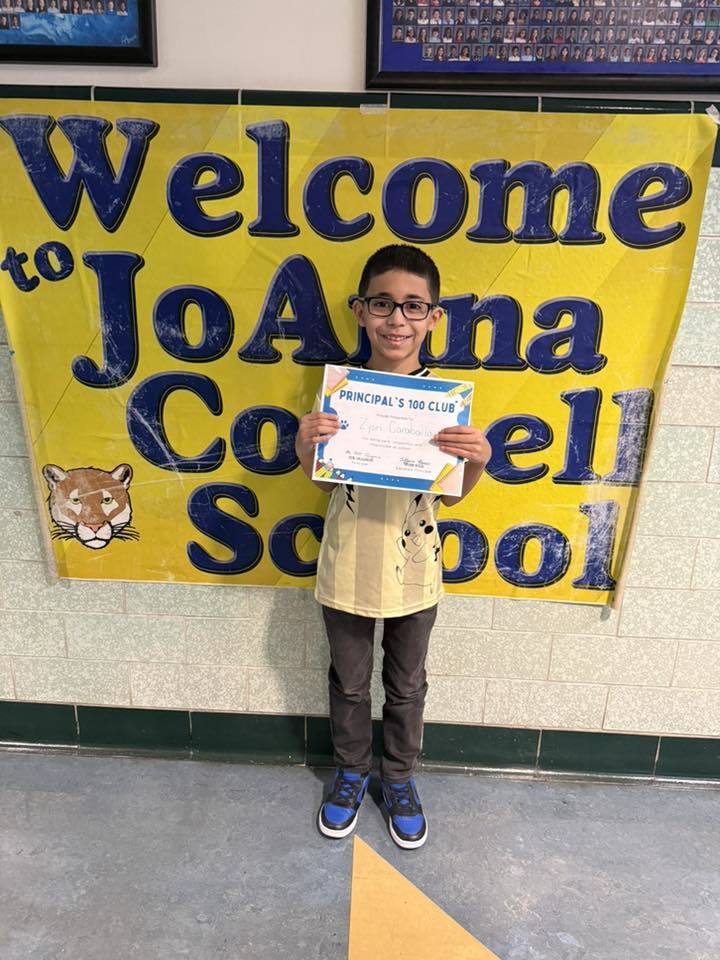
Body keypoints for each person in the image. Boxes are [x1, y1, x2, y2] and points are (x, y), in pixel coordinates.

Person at [295, 246, 490, 850]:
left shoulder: (445, 404)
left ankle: (399, 777)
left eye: (413, 307)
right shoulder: (343, 392)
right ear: (361, 311)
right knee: (350, 684)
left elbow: (452, 497)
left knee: (407, 685)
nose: (396, 320)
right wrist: (307, 446)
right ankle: (352, 772)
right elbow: (324, 479)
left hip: (415, 566)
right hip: (348, 560)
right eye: (382, 304)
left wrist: (477, 462)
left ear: (434, 317)